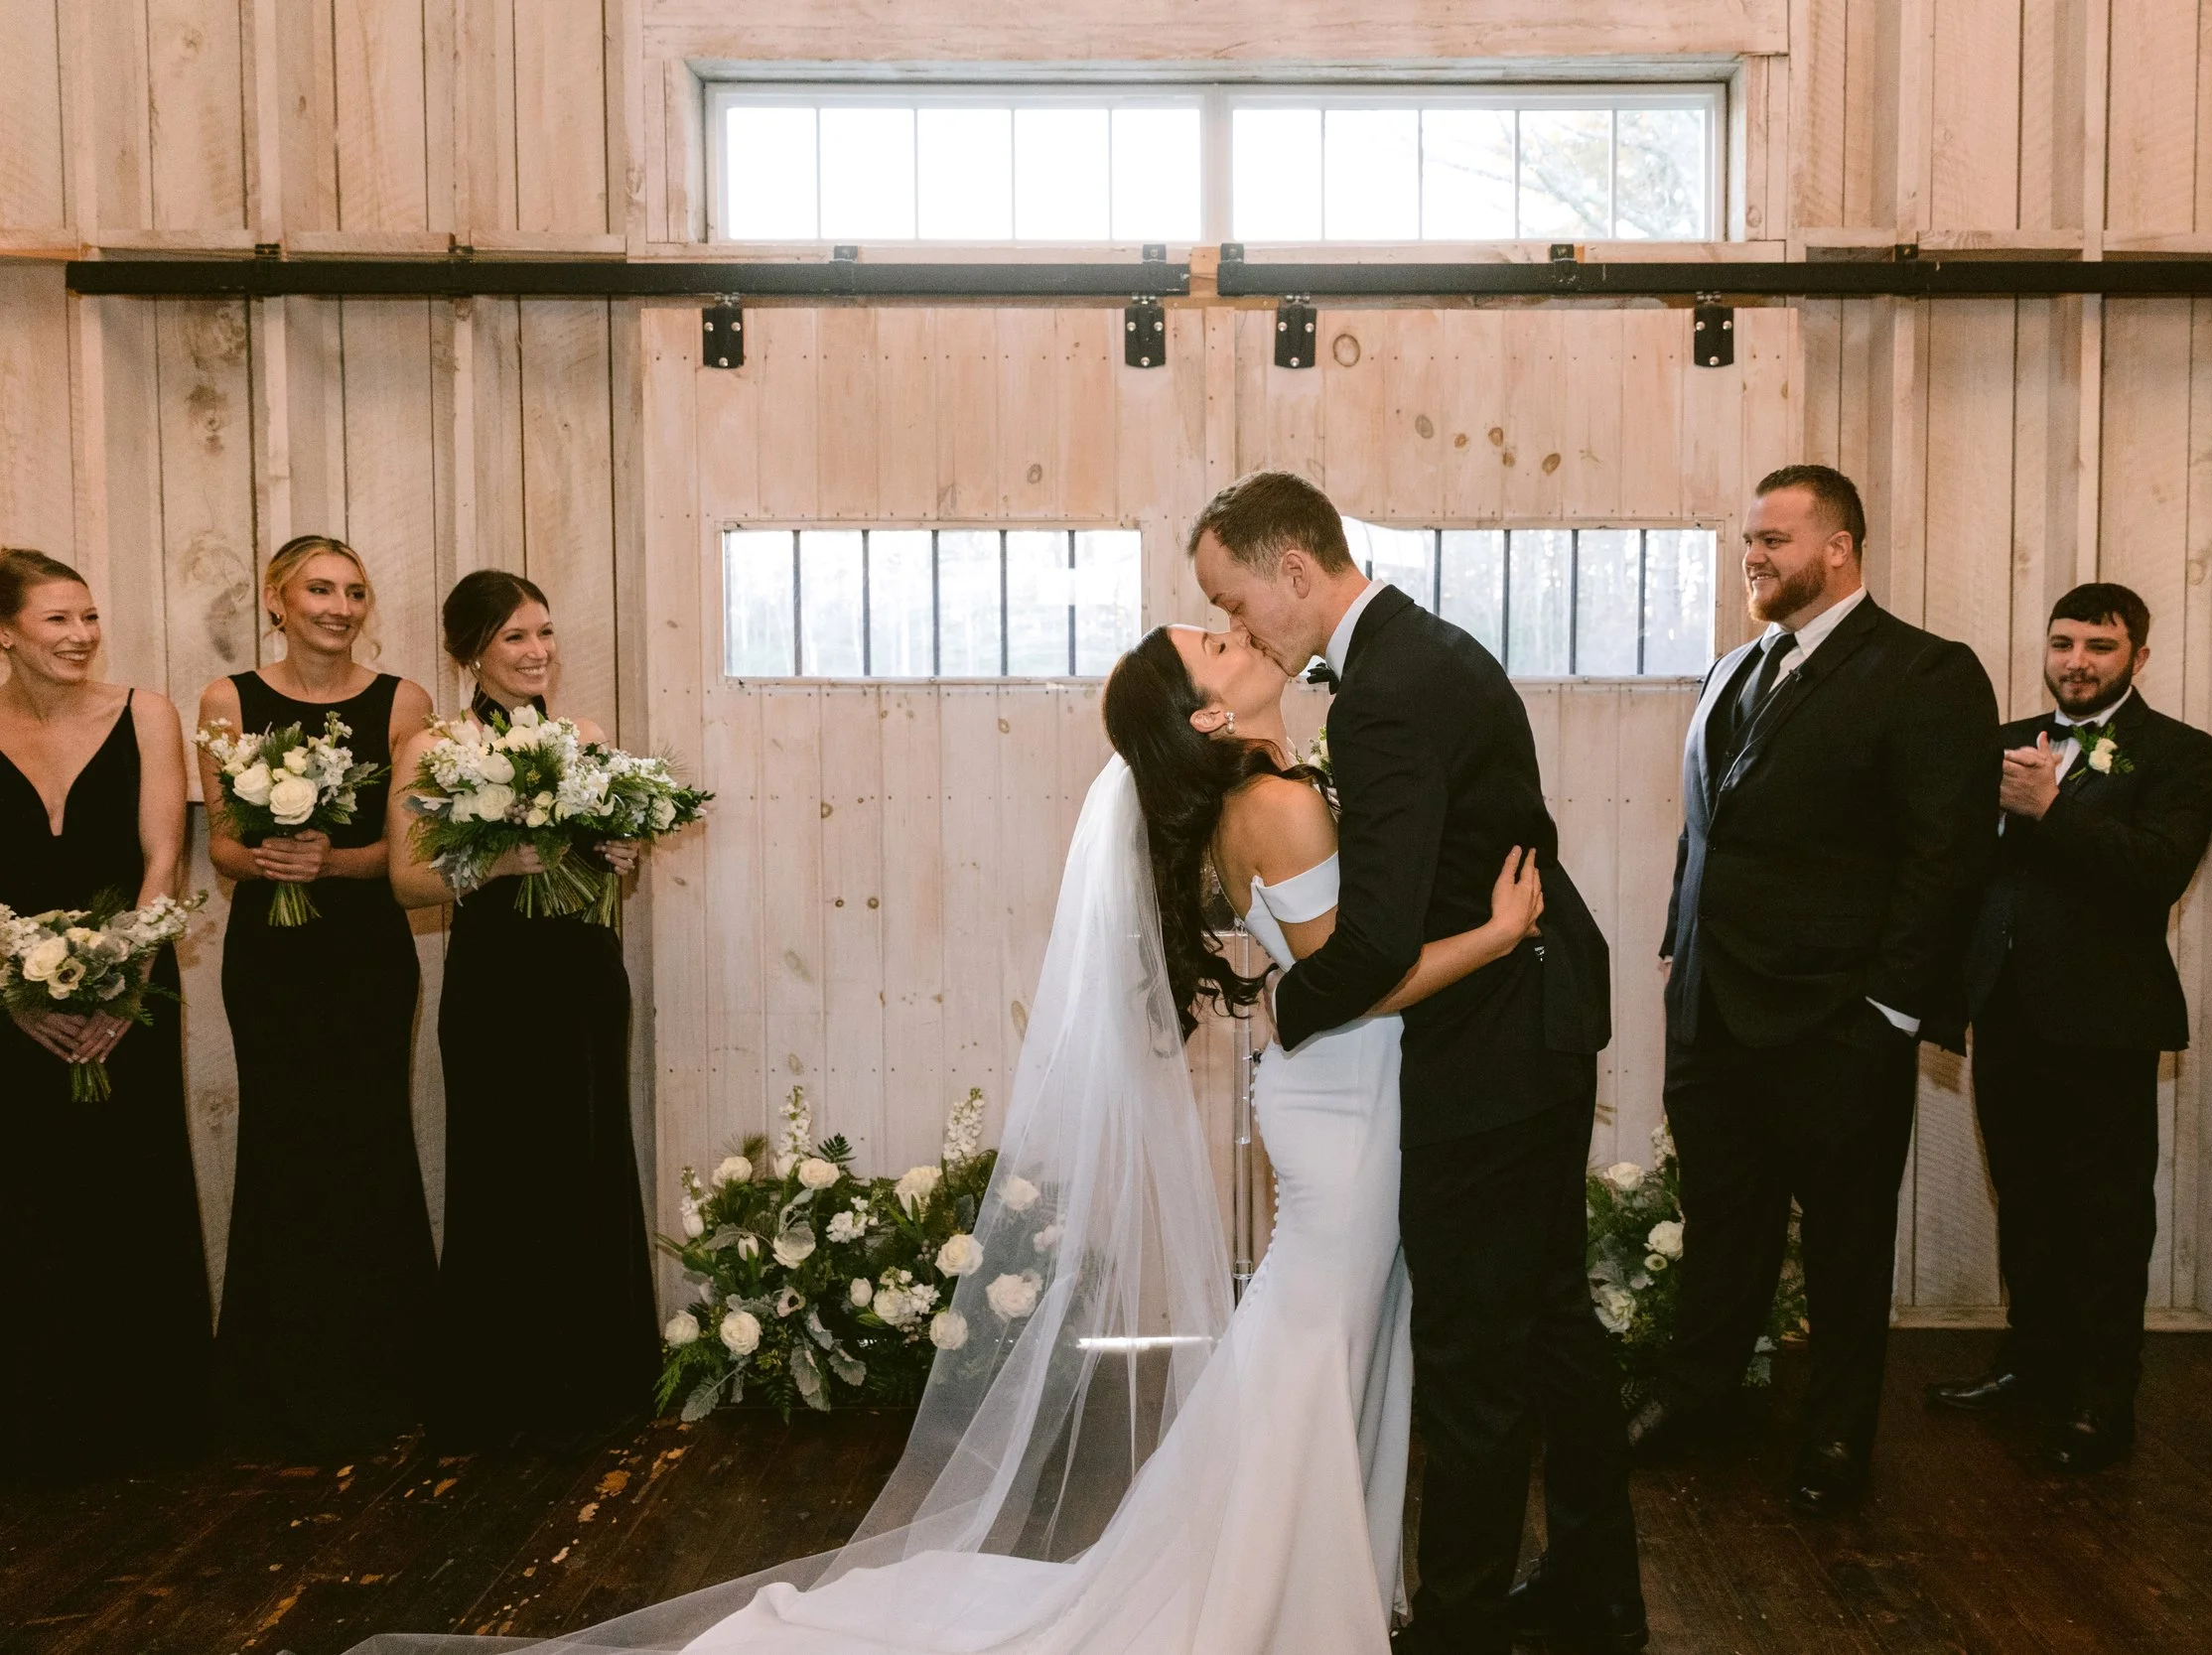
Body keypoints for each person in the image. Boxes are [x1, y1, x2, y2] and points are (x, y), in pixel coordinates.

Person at [346, 616, 1541, 1655]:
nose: (1241, 639)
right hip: (1342, 1103)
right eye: (1217, 643)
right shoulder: (1273, 799)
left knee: (1323, 1339)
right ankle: (1266, 1597)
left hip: (1336, 1096)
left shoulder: (1257, 794)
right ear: (1211, 710)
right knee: (1311, 1342)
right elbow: (1339, 980)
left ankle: (1290, 1582)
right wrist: (1492, 935)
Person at [1193, 474, 1642, 1655]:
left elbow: (1379, 935)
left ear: (1295, 570)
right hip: (1529, 1017)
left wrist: (1288, 1007)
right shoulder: (1420, 652)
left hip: (1490, 1045)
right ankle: (1598, 1590)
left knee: (1473, 1352)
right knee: (1548, 1322)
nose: (1240, 631)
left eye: (1234, 602)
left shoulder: (1386, 689)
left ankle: (1457, 1622)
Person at [1649, 464, 1998, 1516]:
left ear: (1838, 546)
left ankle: (1838, 1435)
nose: (1752, 556)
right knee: (1721, 1227)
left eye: (1773, 539)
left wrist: (1888, 1010)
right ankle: (1700, 1403)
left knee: (1845, 1244)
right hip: (1715, 1010)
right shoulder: (1731, 668)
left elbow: (1946, 860)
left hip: (1837, 1019)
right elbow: (1704, 833)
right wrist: (1680, 948)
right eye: (1749, 541)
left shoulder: (1925, 672)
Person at [1925, 583, 2212, 1471]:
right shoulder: (2004, 743)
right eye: (2063, 643)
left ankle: (2104, 1393)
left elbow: (2157, 871)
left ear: (2139, 654)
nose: (2077, 661)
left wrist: (2056, 811)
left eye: (2099, 645)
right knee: (2026, 1198)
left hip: (2106, 1020)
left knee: (2109, 1211)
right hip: (2005, 1010)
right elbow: (1963, 872)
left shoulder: (2179, 752)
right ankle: (2031, 1362)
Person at [389, 570, 652, 1452]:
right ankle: (508, 1384)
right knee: (505, 1165)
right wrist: (505, 862)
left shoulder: (585, 736)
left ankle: (596, 1376)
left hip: (582, 971)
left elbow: (618, 867)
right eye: (514, 637)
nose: (537, 650)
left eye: (544, 631)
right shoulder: (437, 747)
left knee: (587, 1155)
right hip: (496, 983)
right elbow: (407, 879)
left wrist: (621, 850)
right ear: (470, 652)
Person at [205, 534, 442, 1456]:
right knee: (282, 1142)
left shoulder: (403, 700)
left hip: (367, 952)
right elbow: (222, 842)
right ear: (277, 597)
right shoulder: (229, 699)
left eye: (354, 591)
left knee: (369, 1138)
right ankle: (277, 1381)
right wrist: (267, 856)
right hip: (268, 953)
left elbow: (415, 849)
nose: (339, 607)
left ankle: (386, 1372)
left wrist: (329, 860)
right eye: (318, 589)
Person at [0, 547, 210, 1477]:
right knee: (25, 1202)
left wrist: (122, 983)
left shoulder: (146, 714)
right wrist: (16, 992)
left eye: (88, 617)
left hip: (130, 997)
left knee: (129, 1192)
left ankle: (150, 1422)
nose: (81, 636)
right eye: (57, 619)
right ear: (6, 632)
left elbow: (163, 859)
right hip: (10, 1011)